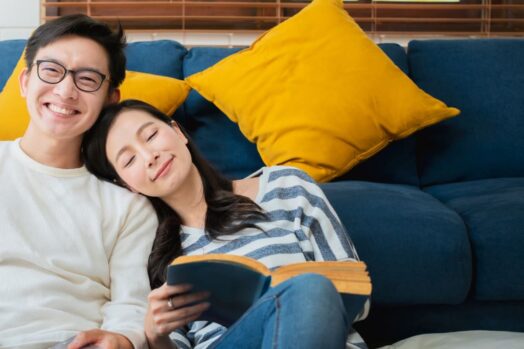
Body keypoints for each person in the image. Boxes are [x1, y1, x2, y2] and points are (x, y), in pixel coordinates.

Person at [82, 99, 369, 349]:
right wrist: (156, 336)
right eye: (130, 160)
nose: (149, 157)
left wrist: (289, 299)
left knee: (310, 289)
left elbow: (360, 300)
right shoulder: (151, 250)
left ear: (178, 132)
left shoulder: (286, 186)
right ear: (128, 185)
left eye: (152, 135)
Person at [0, 16, 157, 349]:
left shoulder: (129, 205)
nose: (66, 91)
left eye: (87, 79)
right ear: (25, 82)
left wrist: (122, 340)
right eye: (52, 71)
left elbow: (132, 304)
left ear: (109, 99)